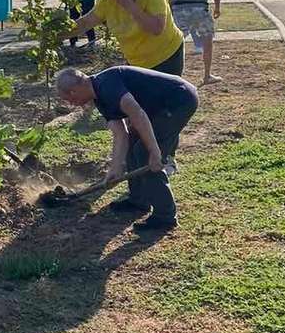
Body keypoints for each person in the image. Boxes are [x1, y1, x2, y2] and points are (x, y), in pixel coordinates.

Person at [54, 65, 198, 231]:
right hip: (157, 107)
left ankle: (165, 217)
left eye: (68, 98)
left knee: (144, 154)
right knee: (132, 144)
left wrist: (154, 151)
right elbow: (121, 135)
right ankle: (139, 200)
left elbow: (137, 113)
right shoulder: (99, 98)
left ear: (74, 90)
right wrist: (114, 170)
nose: (71, 103)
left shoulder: (107, 85)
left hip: (179, 99)